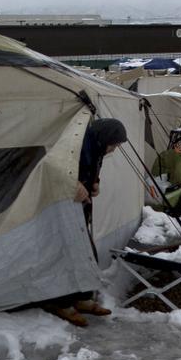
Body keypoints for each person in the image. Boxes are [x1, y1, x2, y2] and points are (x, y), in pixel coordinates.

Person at [44, 117, 128, 327]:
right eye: (114, 144)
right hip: (62, 208)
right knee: (67, 256)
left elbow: (92, 169)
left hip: (80, 208)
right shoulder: (77, 143)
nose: (114, 149)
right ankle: (61, 303)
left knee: (85, 253)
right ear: (104, 137)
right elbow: (51, 166)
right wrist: (74, 184)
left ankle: (82, 298)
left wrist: (94, 183)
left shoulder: (96, 148)